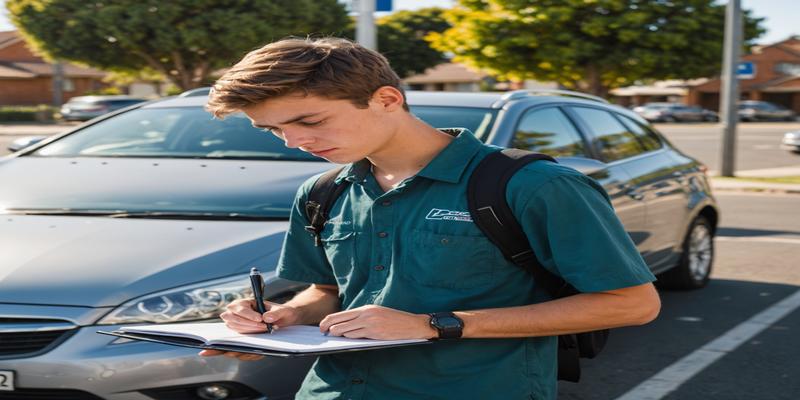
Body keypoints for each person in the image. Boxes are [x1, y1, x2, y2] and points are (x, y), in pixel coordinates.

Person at [200, 37, 661, 400]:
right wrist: (283, 317)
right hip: (332, 392)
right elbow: (328, 291)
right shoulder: (322, 191)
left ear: (386, 99)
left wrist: (435, 324)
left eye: (311, 121)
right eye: (275, 129)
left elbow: (632, 303)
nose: (292, 141)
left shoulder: (533, 185)